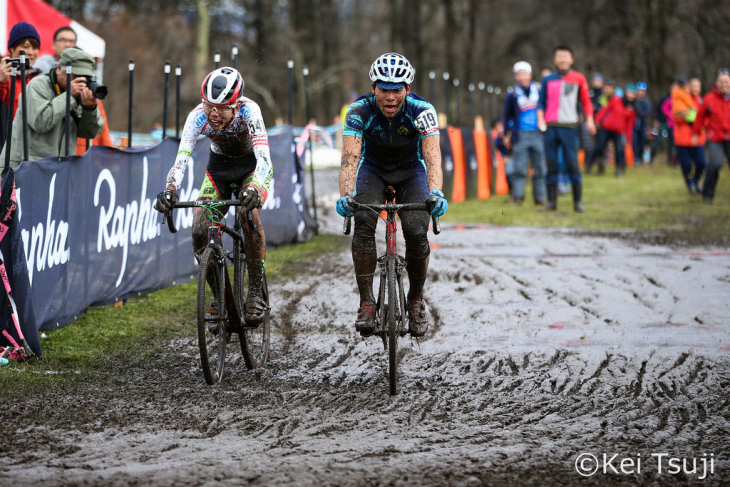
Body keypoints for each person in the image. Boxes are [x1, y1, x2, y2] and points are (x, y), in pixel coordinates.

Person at [336, 52, 447, 338]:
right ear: (373, 88)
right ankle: (366, 303)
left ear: (407, 90)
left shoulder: (422, 110)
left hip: (411, 171)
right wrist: (346, 194)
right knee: (363, 224)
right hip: (372, 170)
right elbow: (350, 157)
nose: (390, 97)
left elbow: (432, 157)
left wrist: (436, 192)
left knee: (415, 230)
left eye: (396, 90)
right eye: (384, 89)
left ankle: (416, 300)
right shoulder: (358, 111)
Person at [154, 67, 273, 326]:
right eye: (209, 106)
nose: (214, 113)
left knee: (248, 214)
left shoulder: (249, 111)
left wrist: (253, 188)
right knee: (199, 229)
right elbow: (182, 158)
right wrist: (170, 189)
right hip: (218, 169)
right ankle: (219, 294)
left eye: (221, 108)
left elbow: (265, 160)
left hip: (251, 168)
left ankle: (255, 292)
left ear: (236, 104)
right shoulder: (197, 116)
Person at [0, 48, 103, 167]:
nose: (79, 82)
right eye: (75, 76)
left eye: (84, 78)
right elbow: (40, 122)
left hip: (58, 170)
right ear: (59, 69)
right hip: (23, 168)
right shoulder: (38, 86)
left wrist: (89, 109)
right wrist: (69, 97)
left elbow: (90, 132)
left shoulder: (80, 94)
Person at [537, 45, 596, 212]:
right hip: (550, 127)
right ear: (554, 60)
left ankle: (577, 202)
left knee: (572, 164)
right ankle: (551, 202)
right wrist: (541, 118)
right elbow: (541, 102)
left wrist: (590, 120)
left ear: (571, 59)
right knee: (551, 165)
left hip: (569, 127)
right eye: (559, 56)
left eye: (565, 56)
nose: (562, 60)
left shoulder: (578, 78)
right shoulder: (547, 80)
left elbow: (586, 102)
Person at [502, 61, 546, 205]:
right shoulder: (512, 94)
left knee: (539, 167)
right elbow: (506, 115)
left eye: (524, 73)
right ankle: (518, 196)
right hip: (520, 134)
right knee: (519, 168)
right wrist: (506, 133)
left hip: (538, 133)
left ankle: (540, 197)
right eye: (519, 74)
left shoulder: (539, 90)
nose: (522, 77)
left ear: (530, 75)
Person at [0, 22, 43, 149]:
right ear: (12, 49)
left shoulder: (39, 79)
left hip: (32, 146)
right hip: (7, 146)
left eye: (35, 47)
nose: (30, 52)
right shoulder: (4, 76)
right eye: (25, 46)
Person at [693, 69, 730, 204]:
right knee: (714, 165)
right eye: (721, 81)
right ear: (716, 83)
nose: (724, 84)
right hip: (716, 138)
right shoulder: (709, 98)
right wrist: (696, 133)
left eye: (727, 81)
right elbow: (700, 117)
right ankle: (707, 194)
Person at [589, 83, 636, 177]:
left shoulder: (632, 109)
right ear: (626, 93)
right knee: (599, 147)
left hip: (618, 131)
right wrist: (597, 119)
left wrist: (628, 138)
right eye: (629, 92)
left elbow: (629, 125)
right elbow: (605, 110)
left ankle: (619, 169)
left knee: (619, 150)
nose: (630, 95)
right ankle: (589, 165)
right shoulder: (616, 100)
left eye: (633, 93)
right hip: (606, 128)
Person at [672, 77, 705, 193]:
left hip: (697, 138)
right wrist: (689, 116)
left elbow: (706, 119)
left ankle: (695, 181)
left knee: (701, 163)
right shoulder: (681, 98)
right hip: (683, 137)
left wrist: (701, 122)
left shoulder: (702, 101)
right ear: (688, 87)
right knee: (686, 165)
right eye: (693, 86)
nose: (695, 88)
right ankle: (689, 183)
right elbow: (676, 116)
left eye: (698, 86)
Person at [633, 81, 652, 165]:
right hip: (634, 123)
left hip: (643, 123)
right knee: (634, 140)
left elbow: (646, 112)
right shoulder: (633, 100)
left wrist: (638, 111)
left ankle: (640, 158)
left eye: (642, 90)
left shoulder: (646, 101)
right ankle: (635, 158)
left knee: (642, 141)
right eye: (639, 90)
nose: (640, 92)